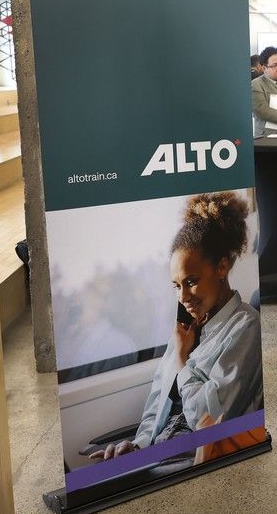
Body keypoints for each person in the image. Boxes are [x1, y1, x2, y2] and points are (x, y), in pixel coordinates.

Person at [90, 192, 263, 461]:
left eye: (191, 281)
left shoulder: (246, 328)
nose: (182, 297)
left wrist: (183, 361)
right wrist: (138, 445)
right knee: (90, 480)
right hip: (160, 450)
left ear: (222, 267)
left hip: (194, 455)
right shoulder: (187, 328)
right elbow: (158, 398)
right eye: (176, 286)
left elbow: (209, 419)